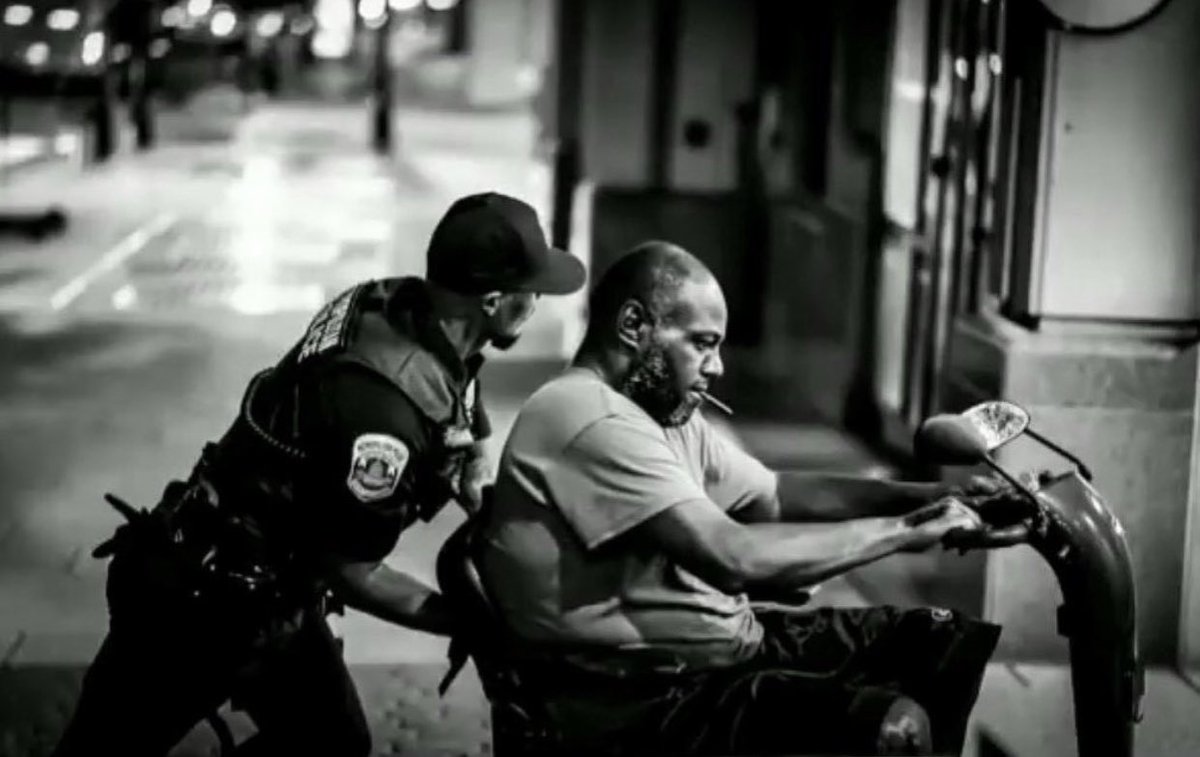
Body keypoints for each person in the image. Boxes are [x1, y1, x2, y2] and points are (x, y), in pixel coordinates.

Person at [53, 192, 586, 757]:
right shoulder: (381, 423)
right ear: (494, 301)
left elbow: (460, 386)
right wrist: (474, 623)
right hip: (197, 608)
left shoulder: (398, 301)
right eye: (533, 291)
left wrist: (474, 475)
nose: (538, 302)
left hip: (272, 593)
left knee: (334, 746)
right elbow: (355, 571)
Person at [474, 241, 1009, 756]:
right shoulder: (589, 416)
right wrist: (909, 530)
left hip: (718, 653)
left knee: (935, 641)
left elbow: (773, 494)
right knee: (894, 727)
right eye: (703, 343)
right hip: (641, 699)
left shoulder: (662, 414)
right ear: (635, 326)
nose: (718, 367)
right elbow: (734, 558)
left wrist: (935, 494)